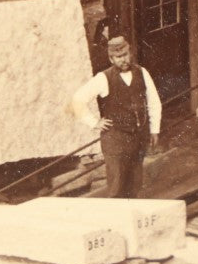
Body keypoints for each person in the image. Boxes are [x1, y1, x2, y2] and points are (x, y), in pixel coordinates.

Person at [69, 34, 161, 198]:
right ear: (111, 59)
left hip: (138, 137)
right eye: (118, 57)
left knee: (135, 184)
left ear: (130, 53)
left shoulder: (142, 72)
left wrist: (154, 130)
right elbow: (77, 100)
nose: (123, 60)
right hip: (115, 139)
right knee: (117, 186)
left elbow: (154, 102)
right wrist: (94, 122)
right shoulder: (103, 78)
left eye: (125, 55)